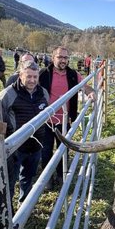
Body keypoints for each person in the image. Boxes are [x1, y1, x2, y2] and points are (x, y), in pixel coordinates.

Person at [0, 61, 47, 229]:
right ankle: (8, 217)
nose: (32, 80)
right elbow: (0, 118)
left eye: (35, 77)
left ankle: (25, 207)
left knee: (28, 177)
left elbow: (46, 113)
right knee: (9, 182)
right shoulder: (8, 94)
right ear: (20, 75)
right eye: (29, 76)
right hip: (15, 147)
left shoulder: (43, 92)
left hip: (35, 145)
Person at [39, 46, 95, 186]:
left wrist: (91, 92)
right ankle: (47, 178)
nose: (63, 60)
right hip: (46, 120)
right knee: (46, 151)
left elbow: (85, 86)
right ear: (53, 58)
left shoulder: (73, 74)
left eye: (65, 57)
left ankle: (60, 174)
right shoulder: (44, 73)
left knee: (63, 150)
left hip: (65, 120)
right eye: (60, 57)